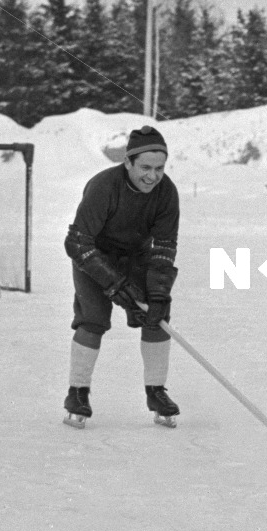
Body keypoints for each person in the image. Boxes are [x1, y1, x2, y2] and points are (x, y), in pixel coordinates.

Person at [62, 125, 181, 428]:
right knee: (93, 319)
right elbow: (76, 242)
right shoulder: (104, 186)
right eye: (145, 167)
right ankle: (77, 392)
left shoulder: (166, 192)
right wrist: (113, 284)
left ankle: (156, 391)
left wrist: (158, 292)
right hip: (93, 257)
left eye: (159, 168)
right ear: (127, 162)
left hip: (135, 258)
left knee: (157, 315)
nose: (152, 176)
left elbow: (165, 246)